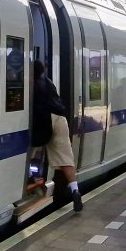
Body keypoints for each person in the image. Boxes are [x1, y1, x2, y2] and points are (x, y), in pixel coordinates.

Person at [32, 60, 83, 212]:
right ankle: (75, 190)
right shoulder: (48, 81)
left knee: (27, 150)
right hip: (60, 118)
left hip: (43, 119)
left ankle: (29, 178)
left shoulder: (28, 83)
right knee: (65, 157)